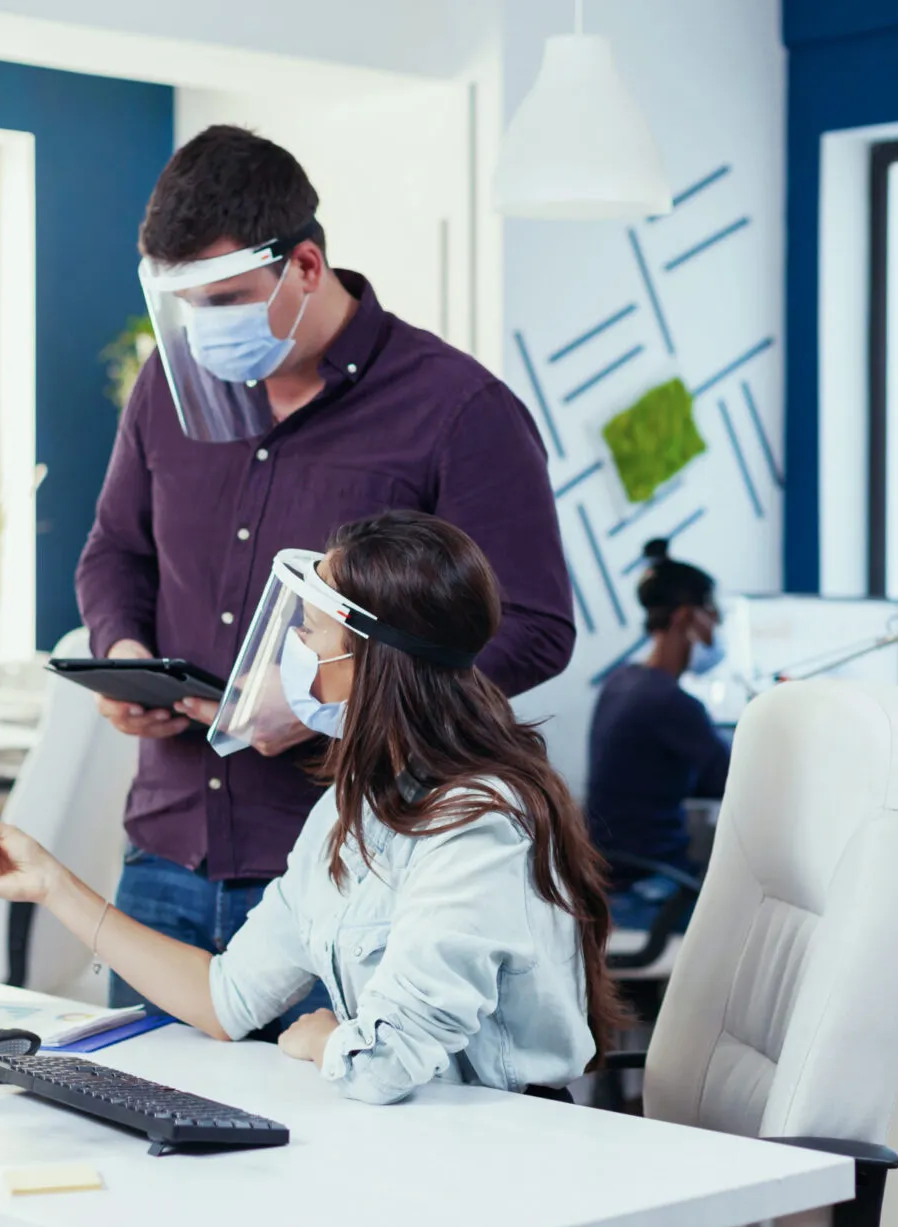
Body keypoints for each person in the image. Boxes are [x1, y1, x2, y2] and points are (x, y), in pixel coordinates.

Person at [75, 126, 574, 1010]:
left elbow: (534, 629)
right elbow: (115, 552)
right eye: (188, 306)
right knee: (131, 1129)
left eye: (227, 299)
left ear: (306, 265)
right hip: (166, 853)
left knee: (328, 1138)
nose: (204, 330)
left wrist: (325, 703)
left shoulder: (458, 411)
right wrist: (123, 656)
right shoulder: (167, 384)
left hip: (344, 869)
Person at [0, 512, 620, 1103]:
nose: (294, 649)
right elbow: (225, 1000)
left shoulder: (479, 823)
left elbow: (385, 1063)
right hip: (411, 1148)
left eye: (308, 630)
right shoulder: (349, 809)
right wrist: (51, 883)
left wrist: (322, 1038)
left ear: (364, 659)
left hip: (511, 1159)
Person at [585, 539, 730, 932]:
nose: (716, 631)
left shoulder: (621, 682)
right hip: (648, 890)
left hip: (612, 884)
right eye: (713, 617)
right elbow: (733, 778)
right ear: (685, 617)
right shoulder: (669, 701)